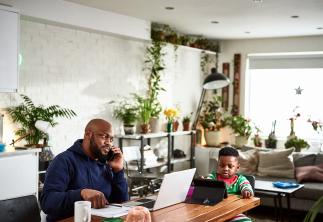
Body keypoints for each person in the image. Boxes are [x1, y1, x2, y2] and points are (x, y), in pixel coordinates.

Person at [41, 119, 128, 221]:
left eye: (111, 139)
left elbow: (122, 202)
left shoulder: (105, 164)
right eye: (104, 137)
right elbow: (47, 202)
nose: (109, 143)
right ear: (88, 134)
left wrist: (118, 171)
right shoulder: (63, 161)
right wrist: (81, 194)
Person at [207, 146, 253, 222]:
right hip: (213, 212)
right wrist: (202, 182)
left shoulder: (240, 180)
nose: (225, 169)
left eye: (230, 166)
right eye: (222, 165)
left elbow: (246, 185)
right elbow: (206, 183)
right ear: (218, 165)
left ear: (237, 167)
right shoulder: (212, 177)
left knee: (246, 221)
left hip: (234, 213)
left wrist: (246, 190)